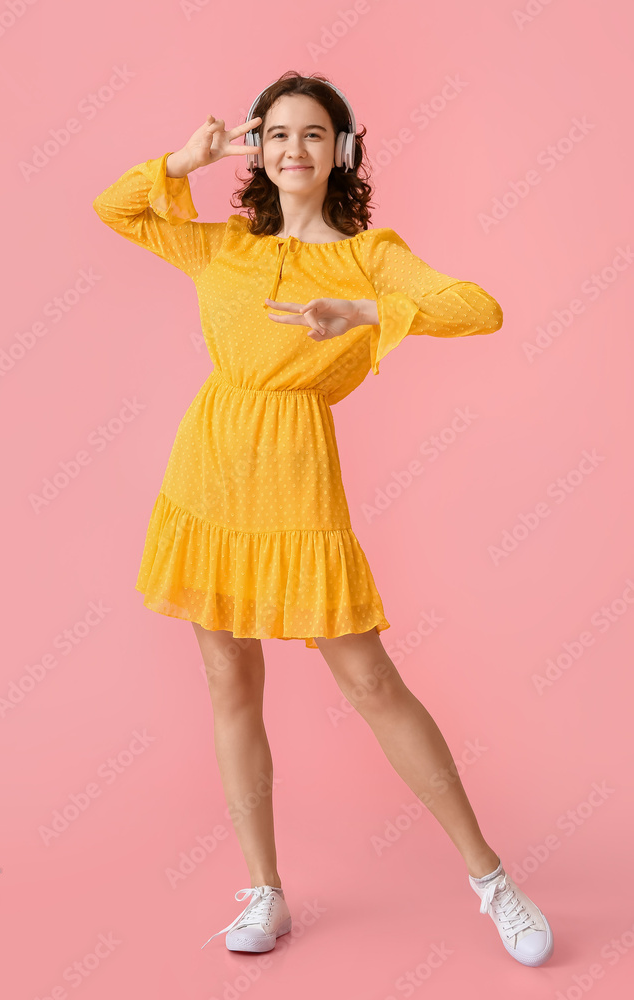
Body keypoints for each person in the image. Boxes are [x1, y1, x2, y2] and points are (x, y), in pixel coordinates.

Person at [92, 71, 553, 966]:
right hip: (208, 472)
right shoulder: (222, 244)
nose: (292, 149)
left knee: (370, 683)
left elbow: (480, 310)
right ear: (256, 149)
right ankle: (265, 892)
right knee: (228, 679)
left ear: (340, 148)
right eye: (275, 134)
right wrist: (182, 161)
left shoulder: (368, 252)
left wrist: (367, 311)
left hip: (297, 478)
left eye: (312, 134)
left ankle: (490, 879)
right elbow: (116, 208)